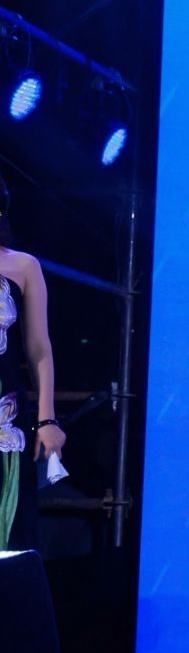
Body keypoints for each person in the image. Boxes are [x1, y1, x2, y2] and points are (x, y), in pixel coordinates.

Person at [0, 179, 64, 553]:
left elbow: (39, 349)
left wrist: (47, 419)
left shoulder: (23, 266)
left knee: (8, 535)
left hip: (5, 422)